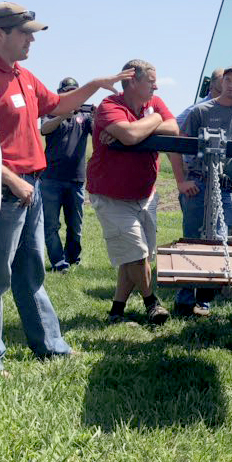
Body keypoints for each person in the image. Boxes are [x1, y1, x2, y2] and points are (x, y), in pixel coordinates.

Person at [0, 2, 132, 374]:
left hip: (32, 187)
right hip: (3, 188)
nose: (32, 40)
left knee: (30, 271)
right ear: (1, 34)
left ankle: (51, 346)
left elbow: (58, 105)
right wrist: (10, 179)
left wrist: (93, 85)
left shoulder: (23, 76)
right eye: (26, 33)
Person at [87, 59, 180, 324]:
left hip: (144, 194)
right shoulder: (109, 106)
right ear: (132, 80)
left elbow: (173, 128)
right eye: (151, 81)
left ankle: (116, 310)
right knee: (137, 254)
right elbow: (128, 136)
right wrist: (147, 125)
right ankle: (153, 304)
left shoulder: (155, 106)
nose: (156, 86)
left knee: (134, 255)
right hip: (112, 196)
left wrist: (149, 122)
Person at [168, 66, 232, 317]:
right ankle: (185, 299)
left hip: (226, 188)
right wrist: (182, 181)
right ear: (221, 83)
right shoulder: (201, 111)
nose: (231, 85)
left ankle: (205, 299)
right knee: (192, 240)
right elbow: (177, 145)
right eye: (227, 80)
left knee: (220, 240)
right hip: (198, 184)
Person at [39, 77, 93, 272]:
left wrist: (97, 115)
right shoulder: (50, 110)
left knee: (75, 224)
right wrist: (63, 115)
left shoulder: (85, 117)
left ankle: (72, 258)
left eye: (74, 92)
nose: (70, 95)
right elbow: (44, 129)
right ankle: (58, 262)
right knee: (51, 224)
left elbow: (98, 132)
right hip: (51, 178)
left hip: (76, 179)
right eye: (67, 91)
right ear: (60, 94)